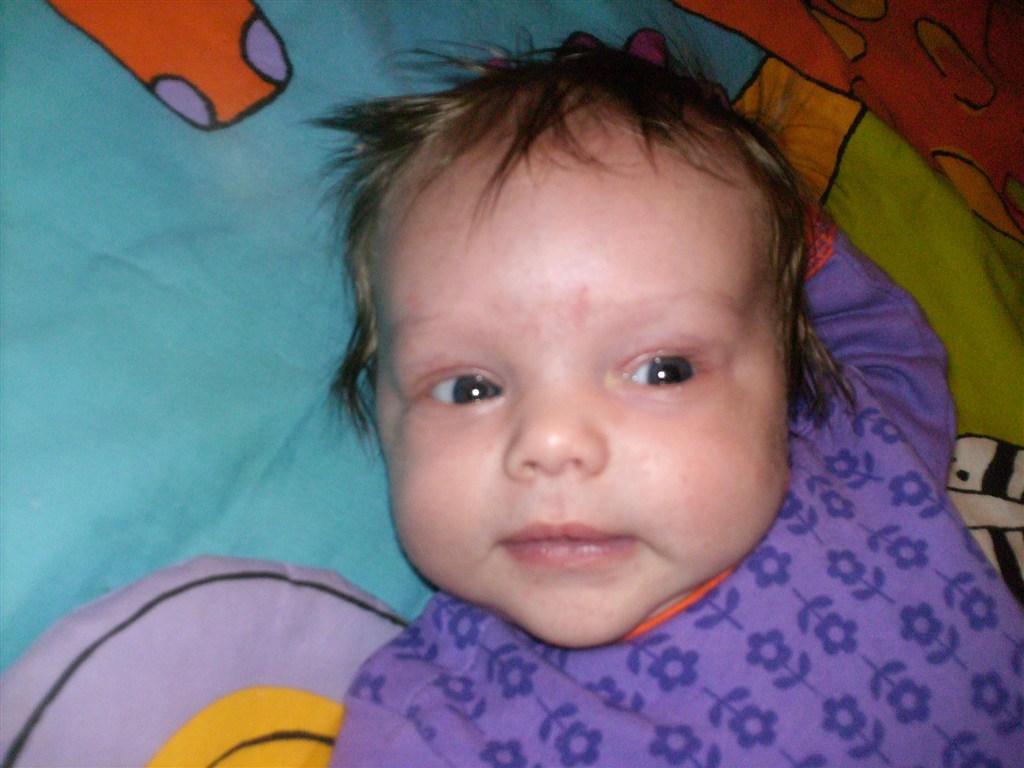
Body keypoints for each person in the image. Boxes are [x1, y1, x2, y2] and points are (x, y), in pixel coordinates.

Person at [322, 30, 1024, 767]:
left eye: (662, 371)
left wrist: (783, 229)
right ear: (382, 410)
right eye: (470, 388)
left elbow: (877, 337)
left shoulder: (861, 457)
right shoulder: (434, 729)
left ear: (785, 374)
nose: (552, 443)